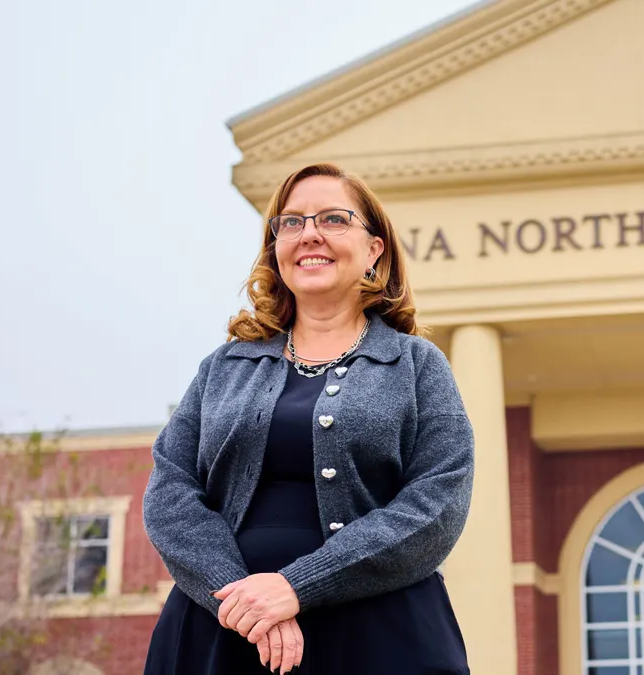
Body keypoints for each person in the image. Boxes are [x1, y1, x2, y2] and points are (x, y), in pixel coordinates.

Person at [141, 162, 475, 675]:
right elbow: (170, 492)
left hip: (381, 635)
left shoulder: (416, 365)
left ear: (373, 250)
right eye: (291, 223)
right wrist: (245, 602)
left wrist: (298, 586)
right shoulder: (223, 367)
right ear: (276, 249)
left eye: (334, 219)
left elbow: (439, 501)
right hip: (222, 632)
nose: (309, 234)